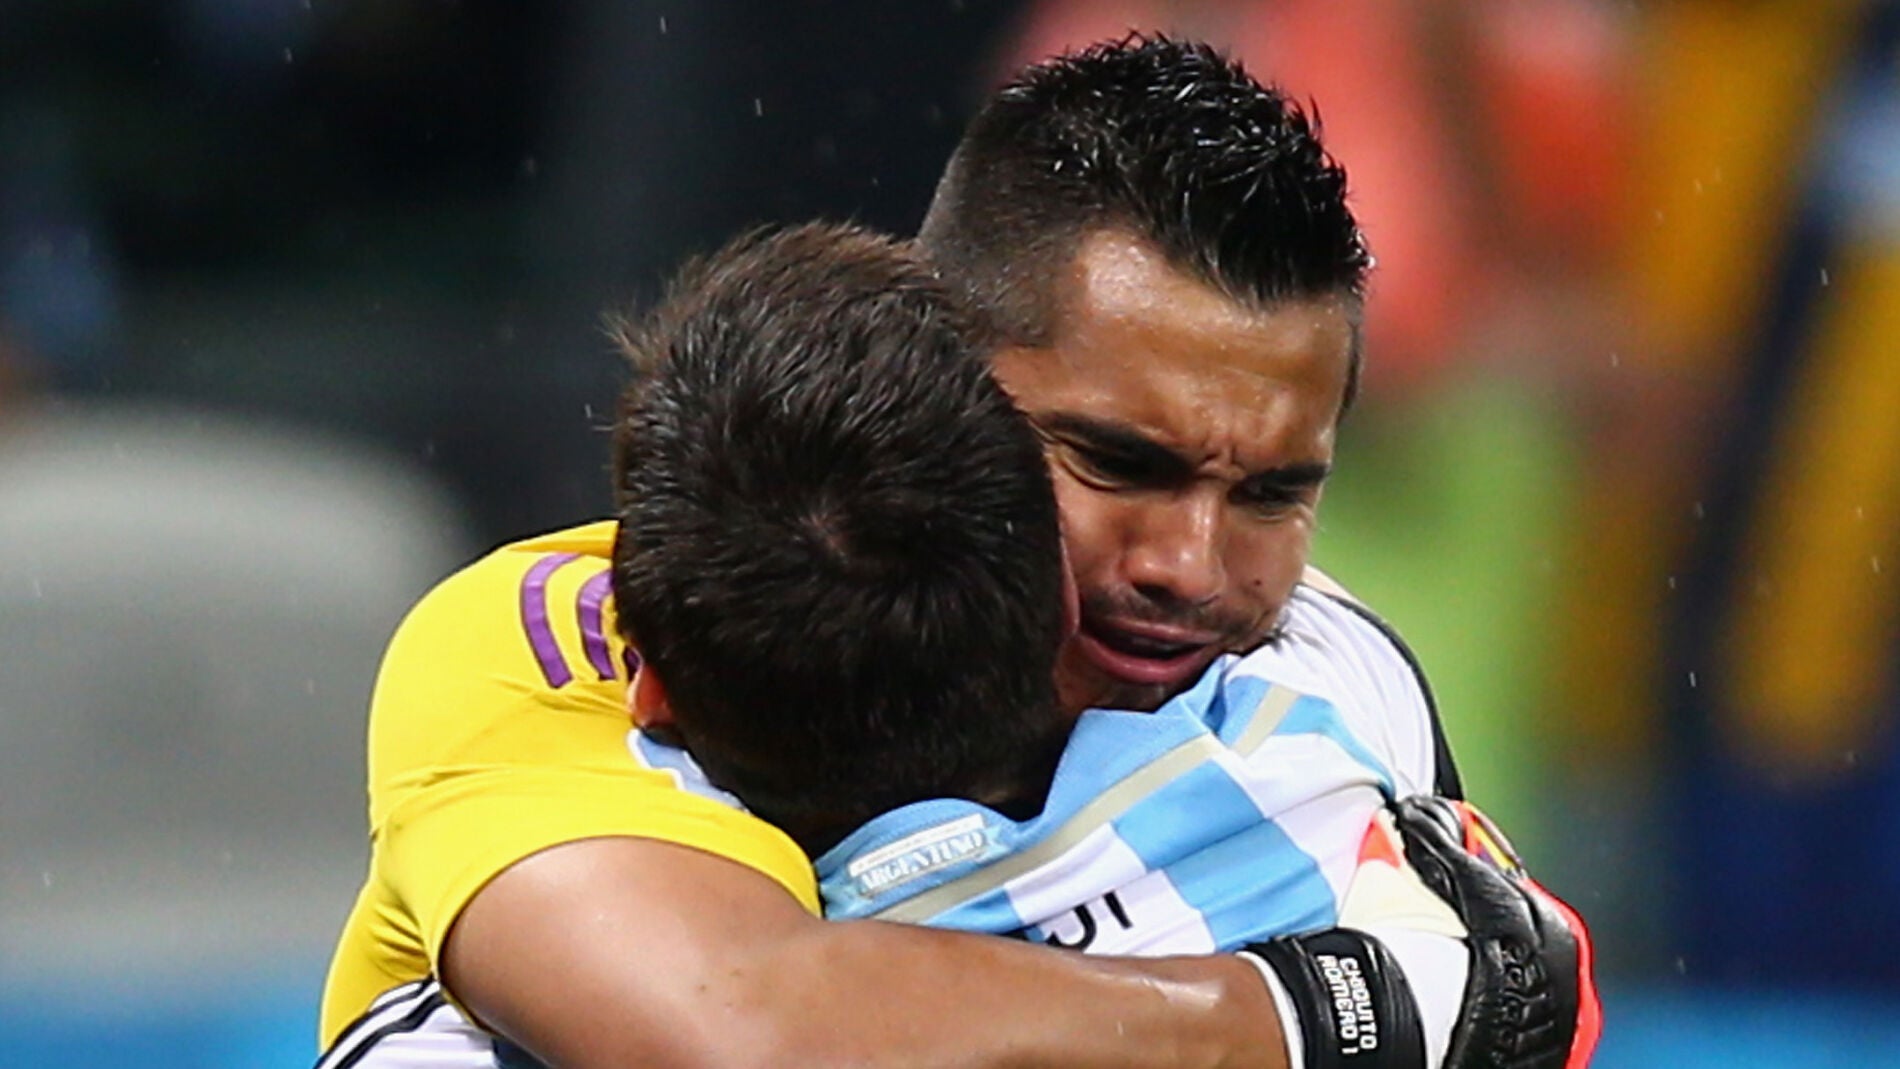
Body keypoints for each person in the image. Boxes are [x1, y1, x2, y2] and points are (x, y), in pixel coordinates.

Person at [320, 35, 1585, 1069]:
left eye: (1271, 492)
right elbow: (740, 1037)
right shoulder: (581, 636)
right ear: (941, 378)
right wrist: (1313, 1014)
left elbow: (1518, 1001)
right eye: (1120, 463)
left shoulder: (1336, 674)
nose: (1191, 566)